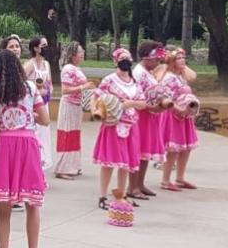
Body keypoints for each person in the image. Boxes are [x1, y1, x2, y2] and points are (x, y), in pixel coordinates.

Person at [0, 49, 49, 248]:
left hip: (4, 147)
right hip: (28, 145)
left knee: (4, 209)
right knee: (33, 205)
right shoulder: (30, 89)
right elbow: (45, 119)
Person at [92, 48, 147, 211]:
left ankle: (121, 194)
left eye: (127, 59)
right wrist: (112, 104)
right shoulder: (109, 80)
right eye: (121, 59)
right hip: (113, 124)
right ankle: (102, 195)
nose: (125, 62)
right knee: (109, 162)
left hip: (131, 124)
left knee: (125, 163)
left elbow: (143, 103)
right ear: (115, 61)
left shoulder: (134, 81)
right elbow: (97, 99)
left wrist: (131, 104)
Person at [158, 48, 200, 191]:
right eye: (178, 58)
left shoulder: (181, 76)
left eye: (183, 58)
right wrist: (179, 109)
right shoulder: (169, 77)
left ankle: (180, 178)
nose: (182, 60)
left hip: (185, 116)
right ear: (172, 62)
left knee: (185, 149)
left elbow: (193, 75)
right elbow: (165, 98)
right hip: (173, 114)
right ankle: (165, 180)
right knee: (173, 149)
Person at [129, 41, 163, 199]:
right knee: (137, 151)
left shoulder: (148, 72)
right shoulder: (138, 73)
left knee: (145, 151)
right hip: (140, 115)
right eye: (156, 59)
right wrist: (152, 106)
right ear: (146, 58)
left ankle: (140, 183)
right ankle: (132, 186)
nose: (158, 62)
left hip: (149, 115)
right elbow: (136, 97)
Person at [54, 42, 92, 179]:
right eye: (80, 52)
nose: (83, 54)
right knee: (66, 135)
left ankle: (73, 165)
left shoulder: (77, 68)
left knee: (74, 136)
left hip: (77, 105)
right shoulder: (68, 69)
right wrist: (83, 87)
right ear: (73, 55)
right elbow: (65, 90)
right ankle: (62, 168)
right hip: (69, 105)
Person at [24, 35, 54, 171]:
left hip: (44, 103)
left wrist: (48, 91)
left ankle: (42, 164)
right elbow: (22, 83)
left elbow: (49, 81)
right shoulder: (30, 65)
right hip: (33, 104)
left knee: (44, 133)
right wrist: (36, 91)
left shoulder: (46, 64)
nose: (46, 48)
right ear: (36, 48)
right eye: (43, 46)